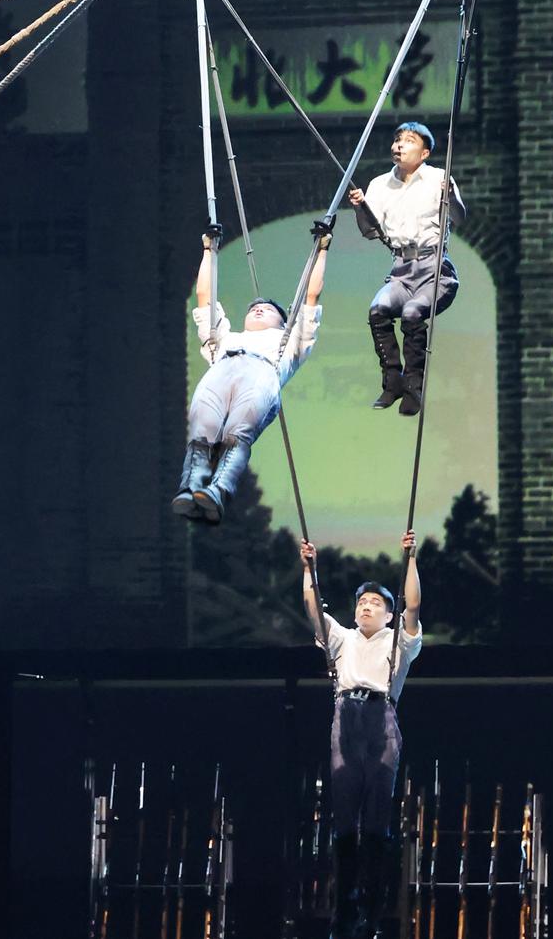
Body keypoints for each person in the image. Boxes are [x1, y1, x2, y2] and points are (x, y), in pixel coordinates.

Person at [300, 531, 422, 939]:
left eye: (375, 603)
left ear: (388, 614)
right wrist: (309, 570)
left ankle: (372, 910)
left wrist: (410, 559)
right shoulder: (343, 638)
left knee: (376, 823)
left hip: (380, 719)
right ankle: (344, 907)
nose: (366, 606)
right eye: (362, 602)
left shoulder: (398, 641)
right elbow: (312, 607)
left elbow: (413, 605)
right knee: (344, 821)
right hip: (346, 719)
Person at [172, 229, 330, 523]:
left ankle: (218, 489)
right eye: (255, 308)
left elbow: (311, 296)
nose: (259, 310)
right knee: (202, 431)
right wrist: (208, 250)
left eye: (267, 309)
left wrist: (321, 251)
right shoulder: (225, 339)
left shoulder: (289, 343)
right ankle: (190, 487)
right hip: (223, 368)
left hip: (261, 371)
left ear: (282, 323)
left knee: (237, 432)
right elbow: (205, 298)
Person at [348, 121, 465, 416]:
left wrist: (450, 195)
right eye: (397, 139)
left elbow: (459, 218)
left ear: (424, 153)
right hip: (401, 270)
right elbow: (369, 231)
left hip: (434, 271)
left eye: (409, 140)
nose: (399, 144)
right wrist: (360, 207)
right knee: (378, 310)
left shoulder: (439, 178)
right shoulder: (379, 184)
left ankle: (414, 387)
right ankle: (393, 381)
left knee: (413, 313)